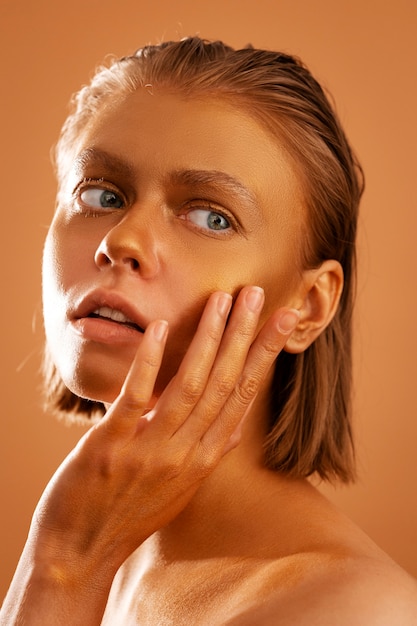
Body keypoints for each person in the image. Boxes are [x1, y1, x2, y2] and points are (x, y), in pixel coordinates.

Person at [1, 36, 416, 625]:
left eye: (209, 216)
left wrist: (67, 563)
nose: (118, 241)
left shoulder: (352, 610)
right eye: (102, 194)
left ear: (308, 304)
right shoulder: (109, 551)